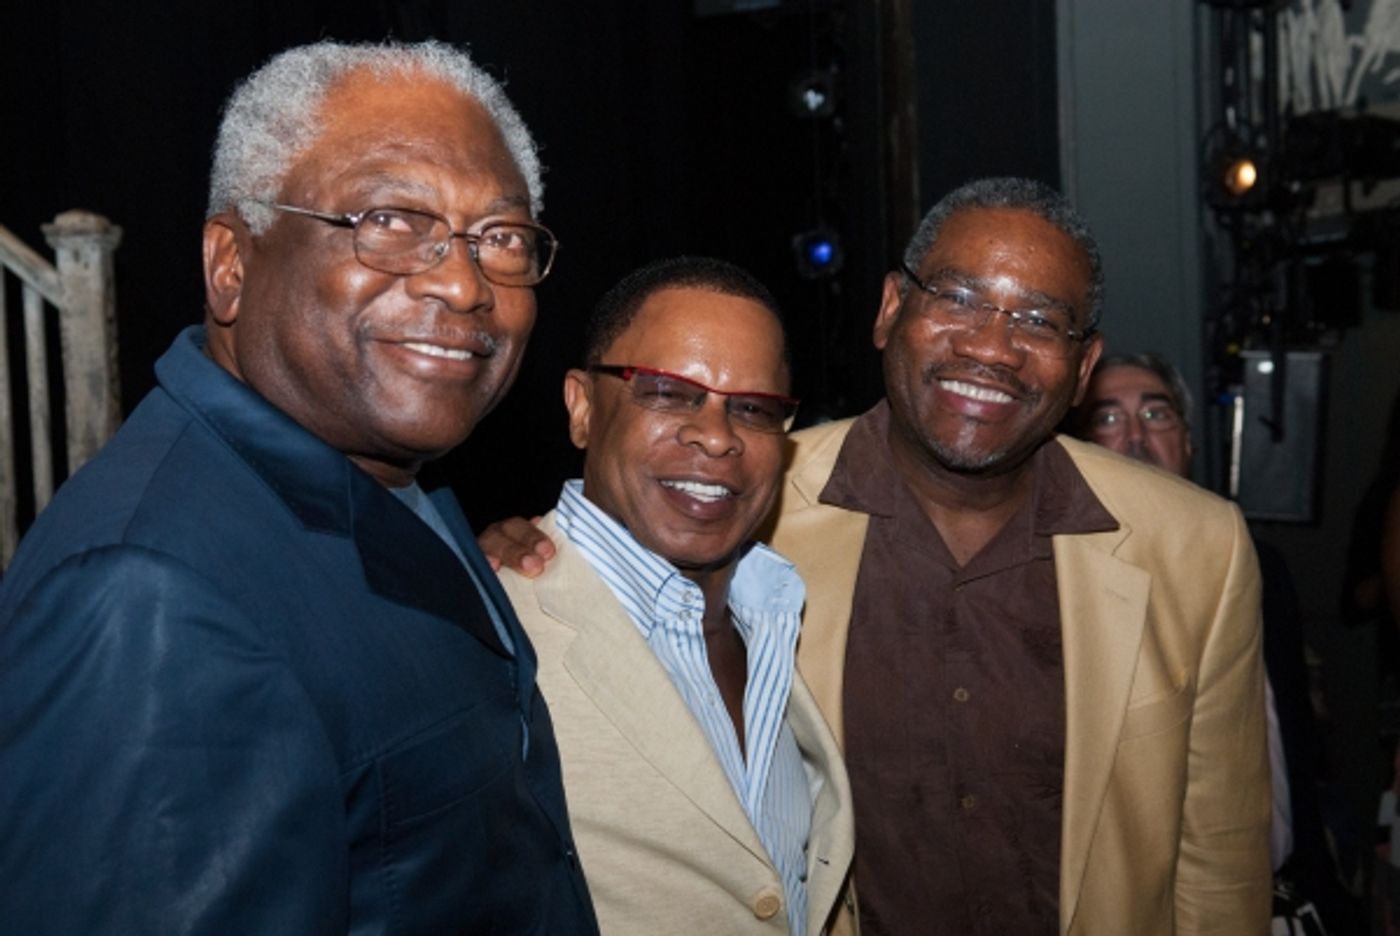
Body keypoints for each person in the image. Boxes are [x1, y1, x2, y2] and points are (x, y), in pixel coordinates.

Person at [485, 177, 1273, 934]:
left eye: (1039, 320)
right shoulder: (748, 509)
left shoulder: (1194, 549)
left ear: (1083, 369)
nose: (993, 348)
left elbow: (1219, 867)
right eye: (960, 299)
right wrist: (497, 551)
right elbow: (604, 565)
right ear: (892, 309)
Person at [0, 40, 598, 934]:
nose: (463, 283)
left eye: (501, 238)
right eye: (391, 219)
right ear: (231, 264)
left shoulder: (390, 486)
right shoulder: (146, 597)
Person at [496, 257, 854, 935]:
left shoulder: (778, 615)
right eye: (666, 392)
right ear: (581, 407)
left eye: (752, 409)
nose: (716, 437)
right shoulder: (488, 631)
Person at [1076, 351, 1360, 934]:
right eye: (1107, 419)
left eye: (1156, 415)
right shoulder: (1056, 593)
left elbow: (1292, 748)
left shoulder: (1261, 566)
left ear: (1188, 442)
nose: (1135, 436)